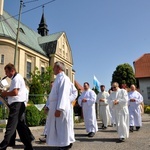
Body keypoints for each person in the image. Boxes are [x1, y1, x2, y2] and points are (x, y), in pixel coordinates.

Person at [0, 63, 34, 150]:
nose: (6, 74)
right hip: (18, 105)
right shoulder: (16, 78)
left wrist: (4, 93)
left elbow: (15, 93)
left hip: (17, 105)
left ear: (12, 70)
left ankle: (3, 146)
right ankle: (29, 146)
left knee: (10, 126)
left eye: (7, 72)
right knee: (20, 126)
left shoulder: (17, 78)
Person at [46, 62, 74, 150]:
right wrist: (48, 106)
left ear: (58, 68)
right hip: (55, 105)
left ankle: (64, 144)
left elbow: (63, 94)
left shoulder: (64, 79)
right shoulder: (58, 79)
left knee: (62, 126)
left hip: (60, 107)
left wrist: (59, 108)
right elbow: (53, 95)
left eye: (54, 67)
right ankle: (61, 143)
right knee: (57, 126)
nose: (53, 69)